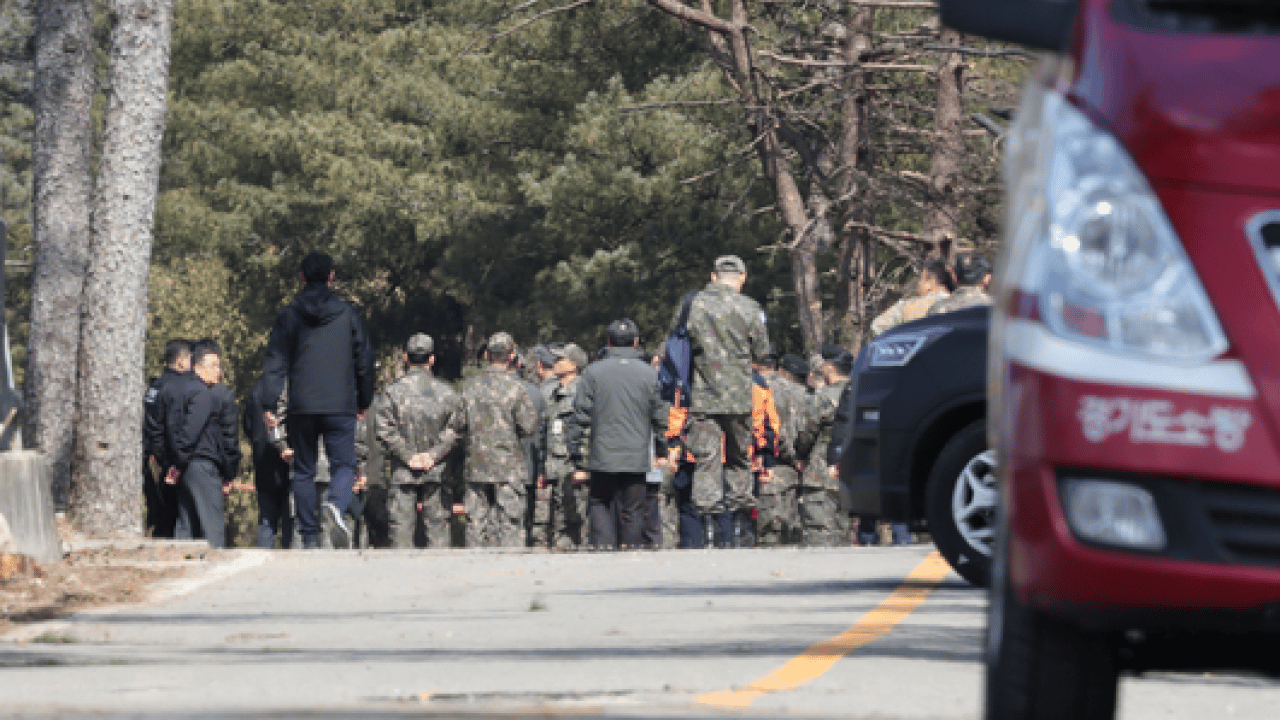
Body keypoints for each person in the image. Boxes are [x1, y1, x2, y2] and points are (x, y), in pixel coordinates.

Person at [261, 251, 375, 549]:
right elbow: (364, 359)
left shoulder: (287, 314)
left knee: (303, 470)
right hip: (340, 402)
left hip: (302, 403)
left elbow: (275, 361)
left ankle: (309, 535)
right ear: (331, 276)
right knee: (344, 465)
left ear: (301, 278)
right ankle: (336, 504)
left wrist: (270, 404)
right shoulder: (348, 314)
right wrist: (364, 398)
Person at [668, 255, 773, 536]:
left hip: (703, 397)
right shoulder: (750, 308)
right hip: (740, 398)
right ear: (742, 277)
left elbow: (675, 343)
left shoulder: (693, 304)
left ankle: (709, 525)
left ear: (713, 276)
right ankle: (739, 523)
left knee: (707, 459)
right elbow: (763, 353)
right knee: (740, 459)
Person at [567, 319, 668, 549]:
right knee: (633, 509)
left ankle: (604, 550)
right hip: (636, 455)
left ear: (609, 343)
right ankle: (632, 553)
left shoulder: (593, 372)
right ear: (636, 342)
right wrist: (661, 448)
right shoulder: (649, 374)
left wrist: (576, 456)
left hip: (603, 455)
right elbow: (660, 417)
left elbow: (580, 416)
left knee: (600, 502)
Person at [374, 333, 463, 549]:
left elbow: (384, 429)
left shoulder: (391, 392)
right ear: (432, 359)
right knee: (438, 531)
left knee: (401, 533)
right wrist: (433, 454)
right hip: (437, 472)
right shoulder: (447, 392)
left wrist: (408, 456)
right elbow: (457, 429)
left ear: (406, 358)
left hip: (403, 472)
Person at [456, 332, 538, 547]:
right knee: (510, 521)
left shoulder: (469, 386)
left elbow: (458, 425)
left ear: (486, 355)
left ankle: (475, 568)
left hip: (477, 464)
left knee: (476, 522)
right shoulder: (517, 388)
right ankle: (510, 570)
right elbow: (529, 426)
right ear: (511, 356)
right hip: (508, 465)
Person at [166, 344, 233, 548]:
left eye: (219, 367)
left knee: (185, 525)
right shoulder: (202, 394)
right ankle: (217, 572)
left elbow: (171, 427)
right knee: (212, 526)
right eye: (213, 366)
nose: (218, 372)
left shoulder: (183, 390)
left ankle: (179, 566)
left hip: (185, 466)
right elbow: (190, 431)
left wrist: (176, 463)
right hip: (201, 464)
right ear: (197, 368)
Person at [794, 344, 853, 547]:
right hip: (851, 474)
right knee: (843, 532)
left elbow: (805, 434)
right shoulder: (861, 393)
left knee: (817, 534)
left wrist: (800, 455)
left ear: (829, 367)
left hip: (820, 475)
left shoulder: (821, 397)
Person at [143, 339, 191, 538]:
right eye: (190, 359)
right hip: (167, 464)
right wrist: (169, 462)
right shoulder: (179, 387)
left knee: (158, 516)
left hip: (151, 460)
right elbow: (171, 428)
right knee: (173, 517)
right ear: (180, 361)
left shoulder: (156, 385)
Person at [544, 343, 590, 549]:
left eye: (560, 359)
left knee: (580, 528)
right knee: (559, 529)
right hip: (555, 470)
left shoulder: (583, 391)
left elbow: (587, 431)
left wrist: (583, 466)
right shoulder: (554, 393)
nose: (554, 362)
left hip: (573, 470)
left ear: (574, 364)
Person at [758, 354, 806, 546]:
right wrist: (797, 458)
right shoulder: (800, 392)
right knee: (792, 531)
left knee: (767, 533)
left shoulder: (757, 386)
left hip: (767, 468)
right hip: (794, 470)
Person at [245, 376, 293, 549]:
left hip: (263, 460)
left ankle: (264, 558)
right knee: (290, 519)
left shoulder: (257, 389)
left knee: (266, 520)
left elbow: (248, 424)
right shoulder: (291, 385)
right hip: (287, 461)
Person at [870, 259, 954, 336]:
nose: (919, 284)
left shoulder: (907, 306)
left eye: (921, 279)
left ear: (930, 282)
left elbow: (876, 327)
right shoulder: (963, 304)